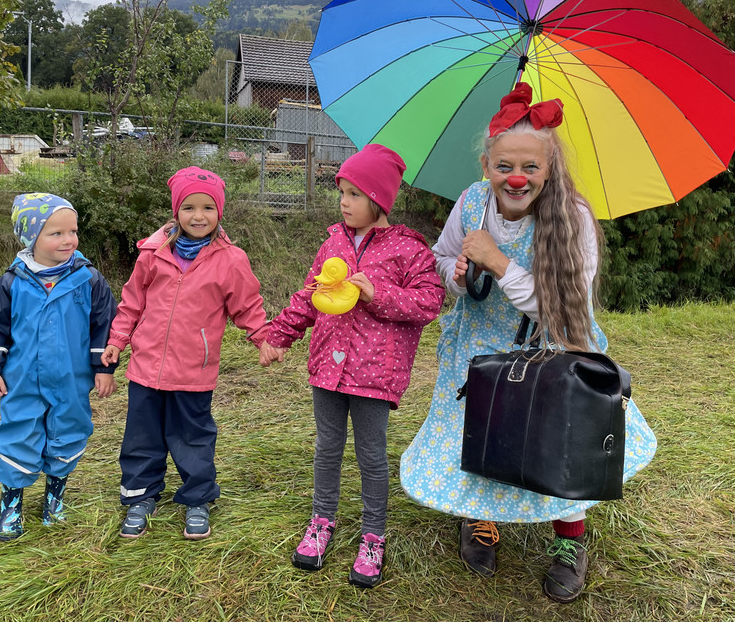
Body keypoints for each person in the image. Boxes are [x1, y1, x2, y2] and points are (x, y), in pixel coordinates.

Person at [399, 83, 657, 603]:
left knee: (561, 443)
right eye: (504, 166)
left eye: (530, 167)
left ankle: (569, 539)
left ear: (549, 167)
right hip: (480, 346)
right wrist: (458, 273)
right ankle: (482, 518)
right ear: (486, 164)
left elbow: (562, 308)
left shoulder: (573, 217)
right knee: (482, 435)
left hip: (554, 349)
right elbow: (441, 255)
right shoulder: (472, 202)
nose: (516, 178)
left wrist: (498, 262)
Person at [259, 144, 446, 589]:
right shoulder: (334, 243)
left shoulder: (409, 250)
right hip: (328, 366)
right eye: (341, 192)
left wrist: (378, 293)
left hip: (375, 373)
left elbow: (429, 302)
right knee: (327, 447)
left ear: (379, 199)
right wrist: (280, 334)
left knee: (371, 455)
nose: (343, 201)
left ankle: (373, 536)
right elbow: (310, 295)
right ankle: (321, 521)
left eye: (354, 193)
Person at [101, 167, 271, 541]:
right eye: (189, 207)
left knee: (193, 438)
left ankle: (197, 499)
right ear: (176, 211)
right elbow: (131, 303)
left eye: (207, 208)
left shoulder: (230, 259)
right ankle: (139, 496)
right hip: (146, 367)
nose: (198, 216)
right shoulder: (153, 252)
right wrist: (117, 340)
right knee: (142, 436)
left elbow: (247, 305)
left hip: (194, 370)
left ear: (219, 211)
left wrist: (262, 338)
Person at [0, 193, 118, 542]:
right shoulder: (13, 281)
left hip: (71, 379)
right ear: (31, 238)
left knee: (67, 431)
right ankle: (11, 504)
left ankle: (55, 497)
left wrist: (103, 368)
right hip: (22, 379)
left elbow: (104, 325)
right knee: (19, 434)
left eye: (73, 231)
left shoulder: (88, 279)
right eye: (56, 233)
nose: (69, 240)